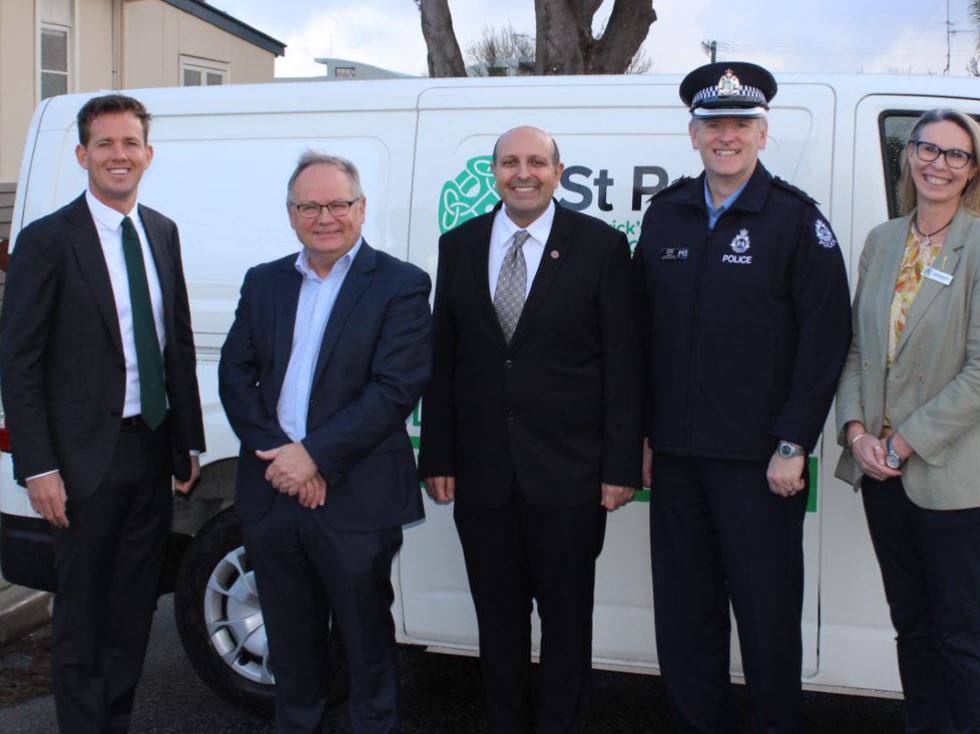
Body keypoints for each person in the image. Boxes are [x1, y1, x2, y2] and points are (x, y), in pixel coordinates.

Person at [635, 62, 852, 733]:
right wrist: (640, 437)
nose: (724, 137)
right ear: (693, 135)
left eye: (738, 126)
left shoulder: (793, 220)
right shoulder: (665, 215)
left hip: (760, 466)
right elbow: (640, 334)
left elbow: (825, 341)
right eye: (712, 126)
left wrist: (794, 442)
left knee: (765, 623)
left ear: (761, 134)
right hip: (673, 459)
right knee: (684, 620)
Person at [418, 125, 642, 734]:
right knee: (498, 625)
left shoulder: (599, 246)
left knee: (567, 628)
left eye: (536, 162)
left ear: (558, 171)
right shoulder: (459, 243)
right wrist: (438, 452)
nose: (524, 172)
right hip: (483, 475)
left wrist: (621, 465)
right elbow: (446, 355)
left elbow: (623, 362)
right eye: (511, 162)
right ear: (494, 172)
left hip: (569, 477)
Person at [0, 93, 205, 733]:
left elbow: (176, 343)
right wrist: (38, 468)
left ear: (149, 154)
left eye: (131, 144)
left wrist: (187, 445)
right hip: (83, 462)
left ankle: (114, 721)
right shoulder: (47, 240)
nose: (120, 155)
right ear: (83, 154)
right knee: (84, 614)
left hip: (151, 451)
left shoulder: (162, 232)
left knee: (133, 607)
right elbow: (20, 362)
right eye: (107, 144)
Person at [218, 151, 431, 734]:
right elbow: (236, 377)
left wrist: (313, 456)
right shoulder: (264, 282)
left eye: (338, 204)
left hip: (356, 499)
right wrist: (283, 458)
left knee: (367, 651)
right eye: (309, 206)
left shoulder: (401, 284)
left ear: (361, 209)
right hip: (273, 493)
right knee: (291, 651)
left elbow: (394, 388)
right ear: (290, 215)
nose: (325, 217)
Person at [835, 108, 980, 733]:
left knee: (958, 632)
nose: (938, 164)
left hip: (954, 477)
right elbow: (861, 350)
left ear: (973, 171)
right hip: (882, 473)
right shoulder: (883, 241)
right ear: (909, 155)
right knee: (912, 626)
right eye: (928, 149)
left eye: (955, 155)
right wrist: (857, 433)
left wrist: (905, 442)